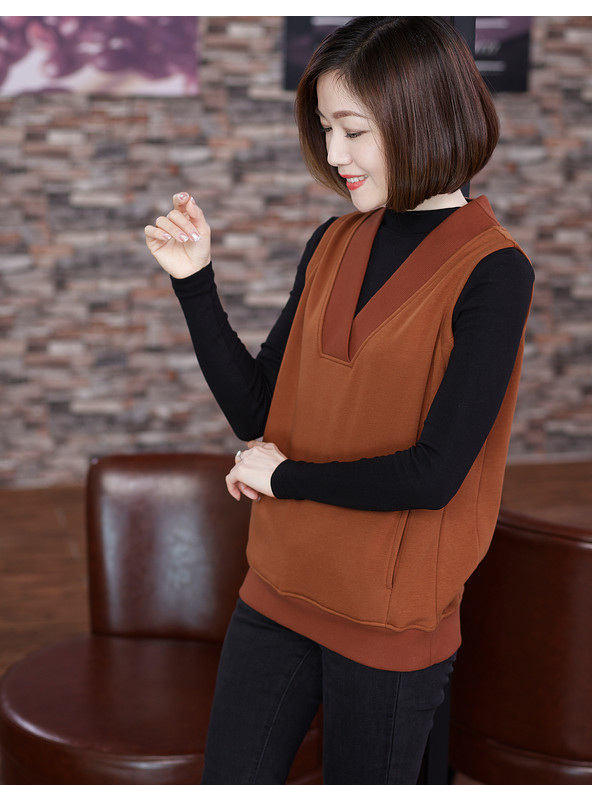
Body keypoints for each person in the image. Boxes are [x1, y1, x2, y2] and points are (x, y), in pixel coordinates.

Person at [144, 16, 534, 785]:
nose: (334, 154)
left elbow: (434, 473)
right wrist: (194, 283)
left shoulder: (494, 271)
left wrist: (283, 477)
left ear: (423, 116)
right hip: (277, 585)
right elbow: (260, 415)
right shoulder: (331, 241)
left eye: (354, 130)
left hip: (388, 621)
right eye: (326, 128)